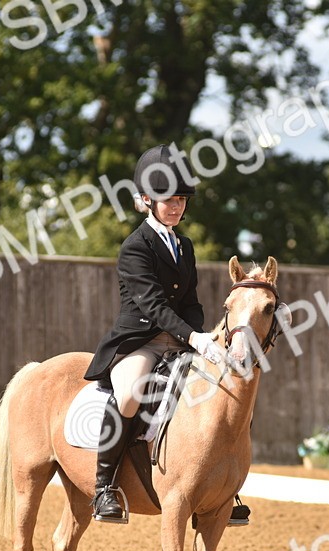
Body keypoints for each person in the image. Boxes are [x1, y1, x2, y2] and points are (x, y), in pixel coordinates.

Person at [83, 144, 228, 523]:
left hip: (180, 341)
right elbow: (153, 307)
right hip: (140, 342)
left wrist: (201, 335)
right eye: (168, 200)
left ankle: (221, 486)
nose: (177, 206)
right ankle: (104, 488)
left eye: (181, 199)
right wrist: (194, 338)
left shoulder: (184, 245)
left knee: (219, 389)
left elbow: (191, 301)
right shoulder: (136, 247)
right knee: (130, 393)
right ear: (147, 200)